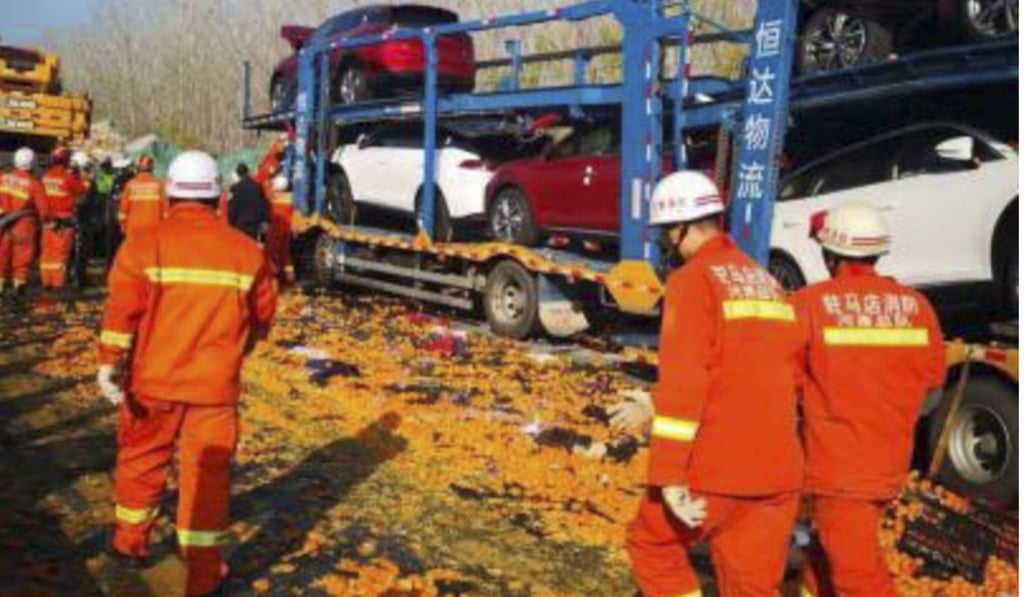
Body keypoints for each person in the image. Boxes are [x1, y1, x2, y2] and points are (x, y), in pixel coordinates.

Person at [96, 150, 277, 597]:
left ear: (169, 194)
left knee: (141, 460)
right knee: (206, 478)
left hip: (151, 382)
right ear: (218, 196)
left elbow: (121, 315)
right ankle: (201, 574)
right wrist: (231, 355)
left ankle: (129, 542)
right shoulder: (245, 252)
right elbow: (261, 320)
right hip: (214, 390)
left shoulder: (143, 245)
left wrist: (107, 364)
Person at [626, 170, 804, 597]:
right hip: (777, 471)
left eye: (668, 233)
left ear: (681, 227)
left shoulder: (692, 282)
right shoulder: (766, 282)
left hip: (716, 468)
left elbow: (687, 380)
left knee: (652, 548)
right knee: (752, 585)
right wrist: (653, 401)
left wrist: (669, 476)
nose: (668, 243)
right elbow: (757, 367)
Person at [795, 202, 946, 597]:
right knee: (823, 558)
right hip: (887, 461)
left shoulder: (811, 304)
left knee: (857, 577)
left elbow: (783, 380)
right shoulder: (916, 306)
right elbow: (932, 387)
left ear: (830, 255)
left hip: (839, 468)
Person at [39, 146, 88, 290]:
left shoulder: (45, 176)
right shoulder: (68, 178)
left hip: (48, 220)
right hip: (64, 221)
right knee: (60, 253)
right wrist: (84, 176)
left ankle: (46, 281)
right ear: (66, 161)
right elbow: (82, 190)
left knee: (47, 251)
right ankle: (57, 283)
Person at [0, 147, 46, 300]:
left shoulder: (3, 178)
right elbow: (43, 210)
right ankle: (18, 291)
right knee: (22, 260)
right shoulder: (35, 184)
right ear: (32, 163)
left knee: (2, 255)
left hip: (3, 224)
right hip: (24, 226)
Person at [118, 155, 166, 238]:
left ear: (137, 168)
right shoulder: (159, 185)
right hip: (154, 230)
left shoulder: (130, 185)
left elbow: (123, 212)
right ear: (152, 168)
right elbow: (165, 211)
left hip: (133, 230)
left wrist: (124, 227)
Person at [227, 162, 270, 243]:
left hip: (240, 224)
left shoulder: (235, 188)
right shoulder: (257, 186)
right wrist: (265, 220)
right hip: (254, 223)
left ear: (238, 173)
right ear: (247, 172)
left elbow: (233, 207)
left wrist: (230, 223)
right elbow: (264, 204)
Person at [265, 174, 295, 283]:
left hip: (275, 229)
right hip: (287, 229)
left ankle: (273, 277)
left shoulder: (272, 197)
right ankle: (289, 278)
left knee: (271, 253)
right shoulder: (291, 198)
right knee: (286, 255)